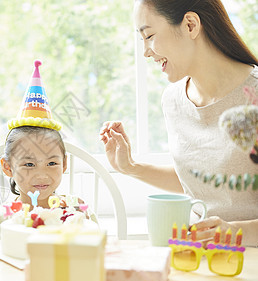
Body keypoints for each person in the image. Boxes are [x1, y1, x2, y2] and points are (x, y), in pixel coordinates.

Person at [100, 0, 258, 246]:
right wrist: (130, 166)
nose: (145, 52)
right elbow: (200, 181)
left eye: (149, 35)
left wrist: (233, 232)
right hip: (197, 253)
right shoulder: (173, 100)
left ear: (190, 25)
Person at [0, 61, 97, 239]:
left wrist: (83, 223)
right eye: (29, 164)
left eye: (52, 163)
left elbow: (92, 256)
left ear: (64, 164)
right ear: (7, 167)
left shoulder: (77, 212)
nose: (41, 174)